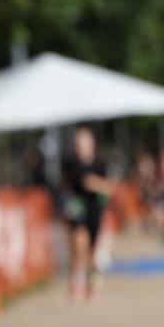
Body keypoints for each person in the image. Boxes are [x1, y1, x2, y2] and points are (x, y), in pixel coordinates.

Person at [61, 126, 115, 301]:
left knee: (92, 250)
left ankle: (92, 282)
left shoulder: (100, 163)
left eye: (83, 143)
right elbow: (85, 182)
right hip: (78, 208)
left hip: (94, 209)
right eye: (77, 144)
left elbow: (106, 187)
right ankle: (76, 280)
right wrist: (100, 185)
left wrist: (100, 186)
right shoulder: (72, 163)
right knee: (79, 243)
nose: (80, 147)